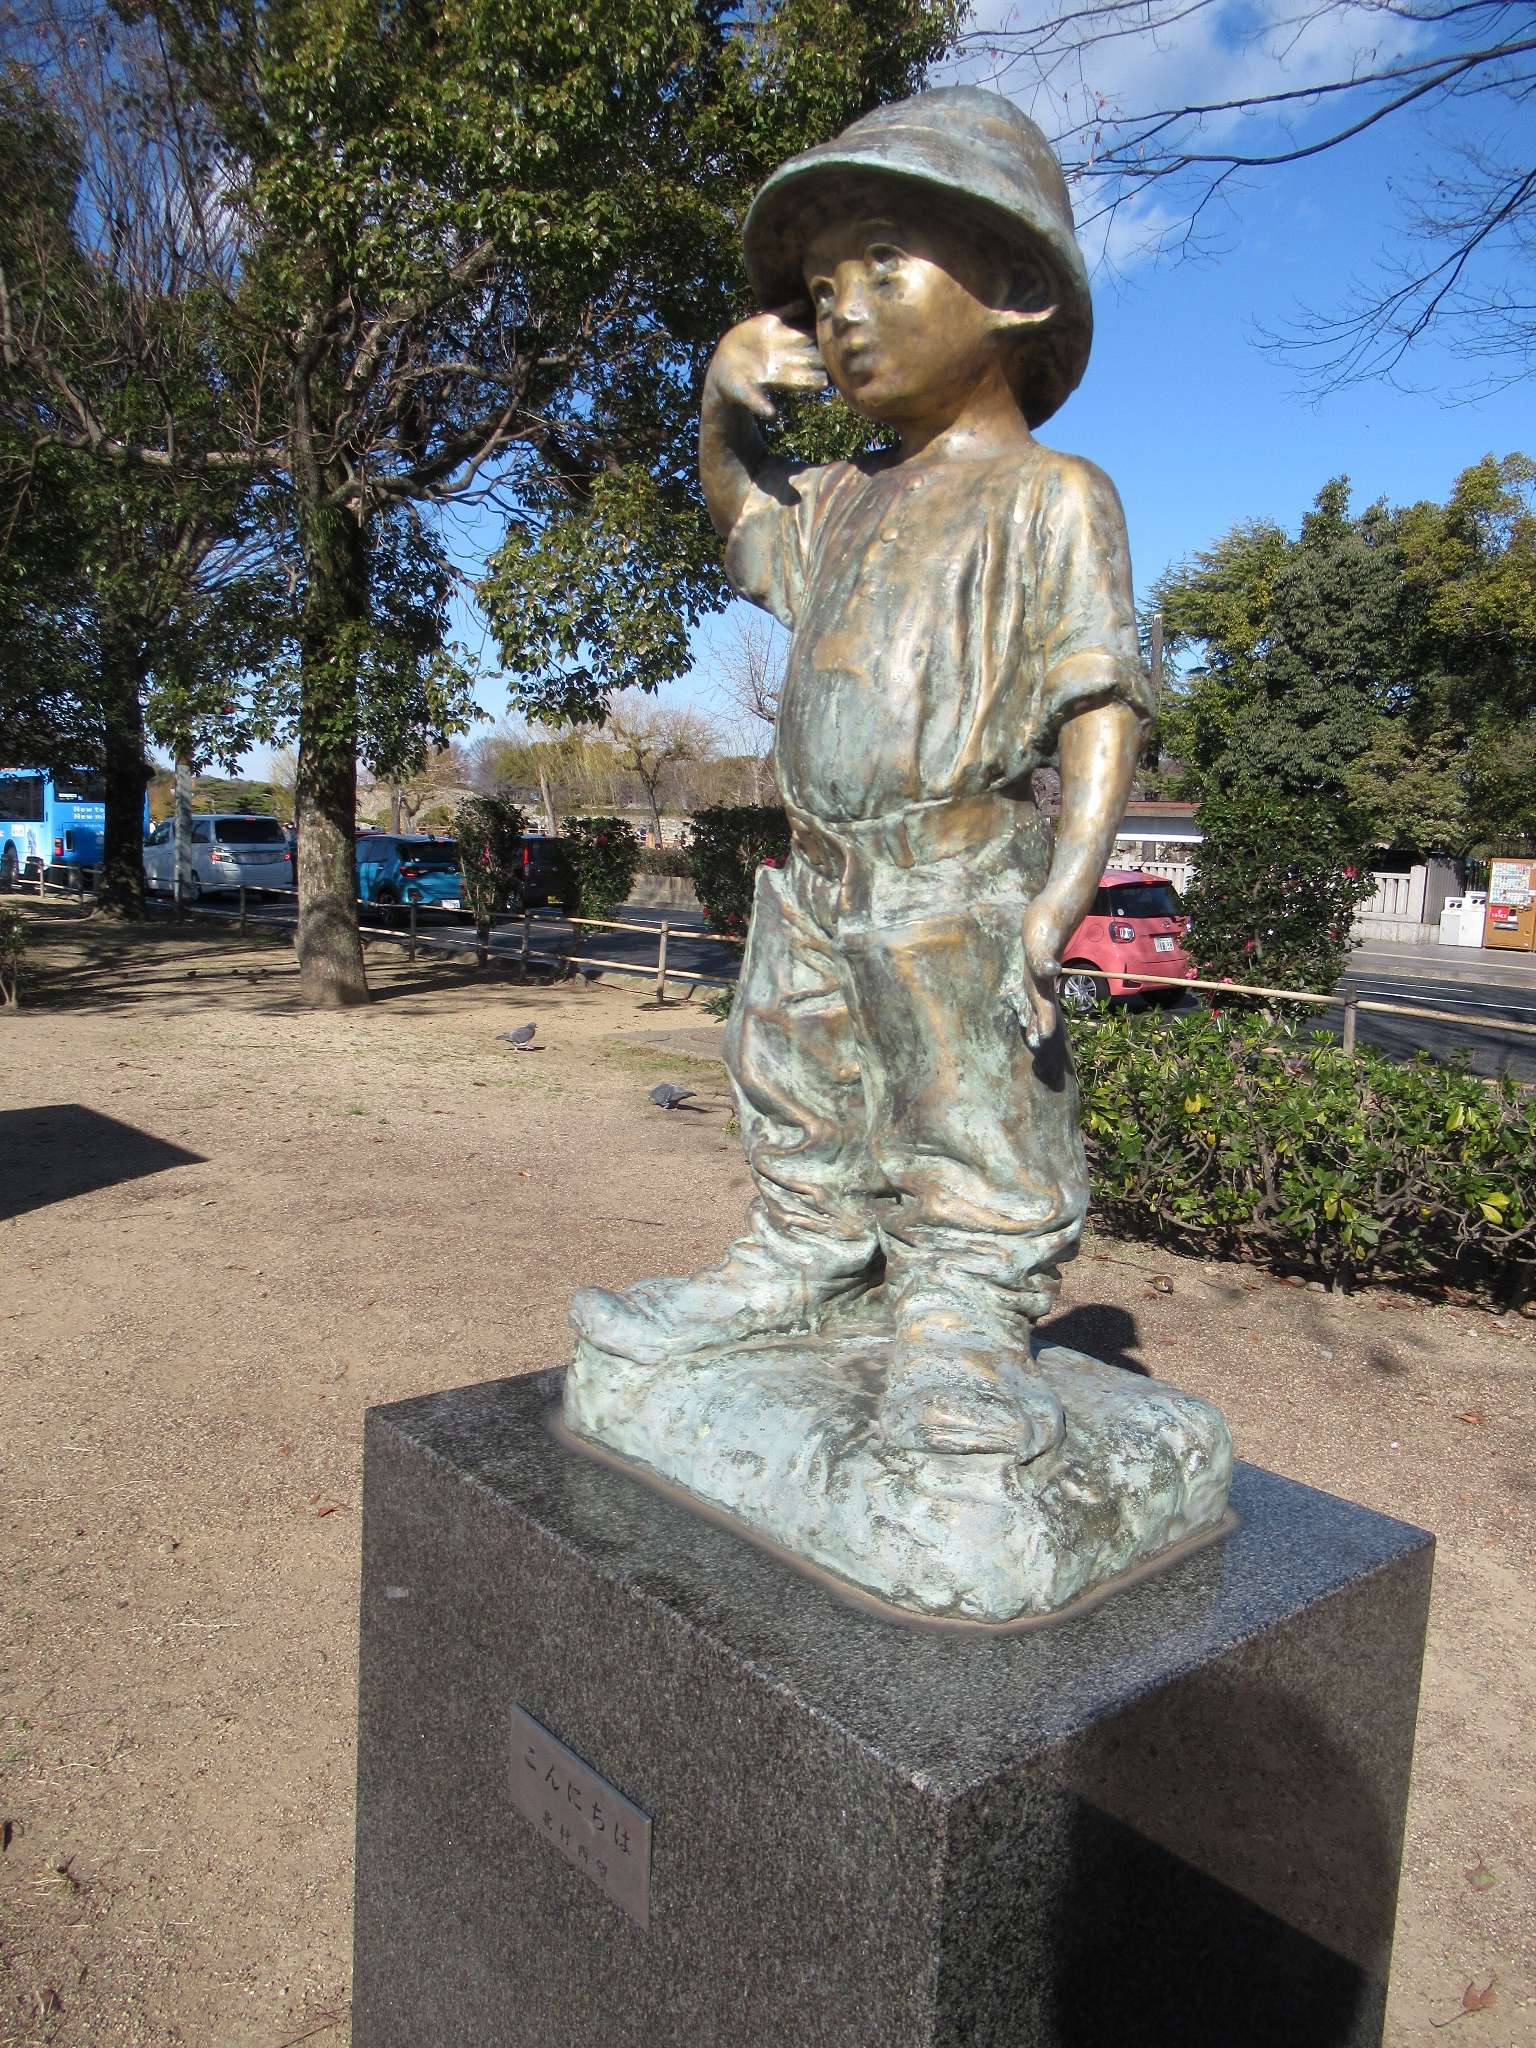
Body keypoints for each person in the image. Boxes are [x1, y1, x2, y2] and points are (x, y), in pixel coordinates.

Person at [572, 87, 1150, 1463]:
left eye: (884, 265)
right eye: (822, 287)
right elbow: (742, 506)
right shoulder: (836, 499)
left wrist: (1063, 888)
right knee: (796, 1082)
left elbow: (1099, 697)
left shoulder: (1052, 493)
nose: (842, 309)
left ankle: (962, 1315)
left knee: (971, 1115)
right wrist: (722, 405)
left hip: (960, 880)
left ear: (1012, 288)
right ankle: (803, 1252)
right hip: (821, 877)